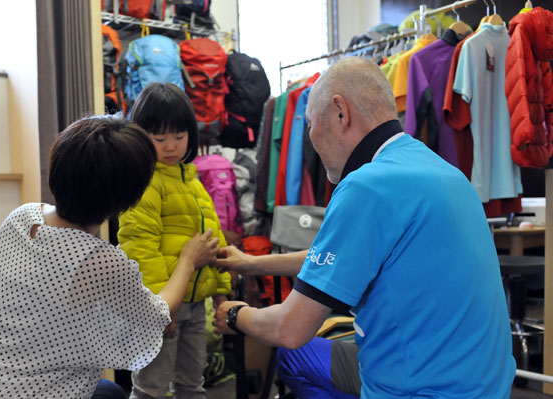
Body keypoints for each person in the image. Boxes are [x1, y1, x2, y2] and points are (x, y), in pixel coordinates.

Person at [213, 56, 516, 398]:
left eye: (311, 124)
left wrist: (236, 313)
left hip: (421, 390)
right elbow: (342, 257)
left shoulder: (367, 185)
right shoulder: (439, 169)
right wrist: (249, 263)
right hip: (487, 384)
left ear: (341, 113)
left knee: (292, 354)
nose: (311, 138)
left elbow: (290, 328)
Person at [0, 115, 220, 398]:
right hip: (20, 391)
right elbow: (159, 315)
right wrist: (188, 260)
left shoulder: (22, 217)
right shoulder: (100, 261)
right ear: (128, 198)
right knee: (113, 393)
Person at [117, 83, 231, 399]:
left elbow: (214, 242)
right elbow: (138, 251)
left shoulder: (193, 184)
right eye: (160, 137)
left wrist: (222, 294)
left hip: (196, 306)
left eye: (179, 137)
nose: (171, 146)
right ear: (141, 136)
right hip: (163, 306)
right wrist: (159, 309)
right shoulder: (145, 185)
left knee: (192, 385)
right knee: (150, 388)